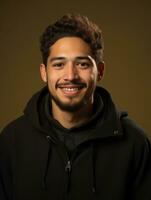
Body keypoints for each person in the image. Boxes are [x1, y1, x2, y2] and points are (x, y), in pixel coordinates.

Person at [0, 14, 151, 200]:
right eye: (59, 64)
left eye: (82, 64)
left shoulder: (135, 142)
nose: (70, 75)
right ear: (44, 72)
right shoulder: (12, 140)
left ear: (100, 71)